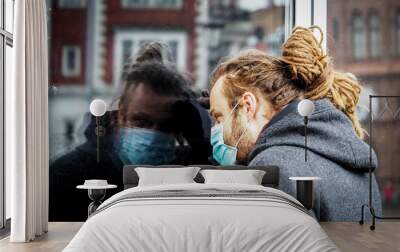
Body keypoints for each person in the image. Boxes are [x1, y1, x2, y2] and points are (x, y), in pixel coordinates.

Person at [208, 26, 382, 221]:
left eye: (219, 117)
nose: (215, 130)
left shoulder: (272, 167)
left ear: (248, 106)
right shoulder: (354, 162)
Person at [50, 43, 212, 221]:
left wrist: (199, 142)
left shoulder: (186, 170)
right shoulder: (71, 173)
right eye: (140, 121)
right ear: (120, 115)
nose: (152, 137)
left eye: (166, 126)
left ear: (180, 128)